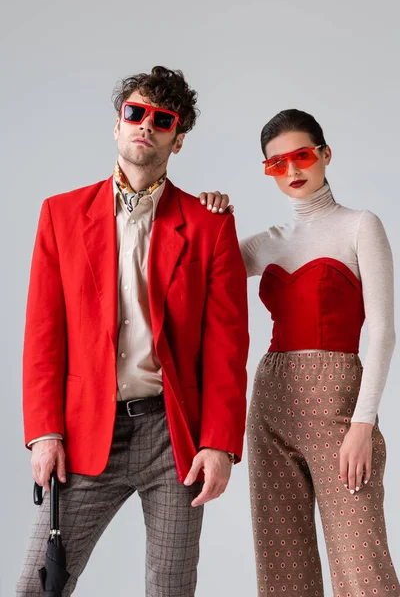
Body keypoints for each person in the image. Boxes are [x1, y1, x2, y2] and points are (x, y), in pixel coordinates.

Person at [17, 65, 249, 597]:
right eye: (135, 113)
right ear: (118, 126)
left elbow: (226, 346)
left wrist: (218, 443)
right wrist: (45, 431)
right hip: (83, 432)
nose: (146, 125)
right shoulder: (60, 214)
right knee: (38, 585)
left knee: (170, 589)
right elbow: (43, 334)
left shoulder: (209, 225)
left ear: (178, 138)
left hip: (174, 437)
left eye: (161, 119)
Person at [200, 109, 399, 596]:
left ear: (325, 155)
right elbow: (203, 271)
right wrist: (213, 218)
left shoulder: (360, 226)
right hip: (269, 403)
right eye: (276, 164)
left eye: (302, 156)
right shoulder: (268, 243)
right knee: (281, 565)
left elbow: (385, 333)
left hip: (339, 409)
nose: (291, 170)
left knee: (362, 569)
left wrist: (362, 425)